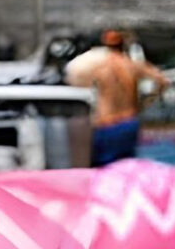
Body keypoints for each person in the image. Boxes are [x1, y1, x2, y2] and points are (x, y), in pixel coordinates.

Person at [66, 30, 162, 167]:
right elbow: (162, 81)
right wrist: (145, 102)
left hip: (107, 122)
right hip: (129, 121)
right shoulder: (132, 65)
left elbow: (75, 80)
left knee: (103, 168)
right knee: (125, 168)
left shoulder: (99, 66)